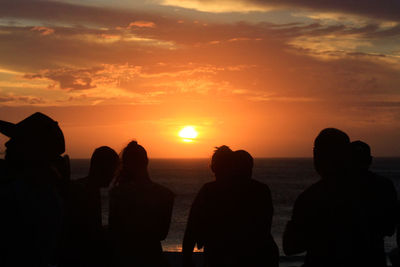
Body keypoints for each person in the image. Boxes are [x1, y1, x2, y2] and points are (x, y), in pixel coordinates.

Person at [283, 129, 397, 267]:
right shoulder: (381, 186)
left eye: (318, 152)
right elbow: (389, 228)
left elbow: (290, 246)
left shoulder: (312, 197)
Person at [183, 146, 278, 267]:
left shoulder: (209, 191)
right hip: (260, 257)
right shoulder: (261, 190)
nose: (214, 172)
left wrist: (186, 259)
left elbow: (191, 229)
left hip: (225, 257)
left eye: (216, 167)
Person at [0, 112, 68, 267]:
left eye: (16, 140)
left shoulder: (18, 196)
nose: (7, 145)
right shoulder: (49, 195)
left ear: (32, 150)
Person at [109, 140, 175, 267]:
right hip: (152, 257)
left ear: (125, 164)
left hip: (125, 258)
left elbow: (114, 232)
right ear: (146, 161)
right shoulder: (165, 195)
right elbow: (162, 234)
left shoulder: (118, 194)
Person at [60, 146, 119, 267]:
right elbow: (88, 233)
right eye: (113, 169)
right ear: (104, 168)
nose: (114, 175)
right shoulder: (86, 192)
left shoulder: (86, 188)